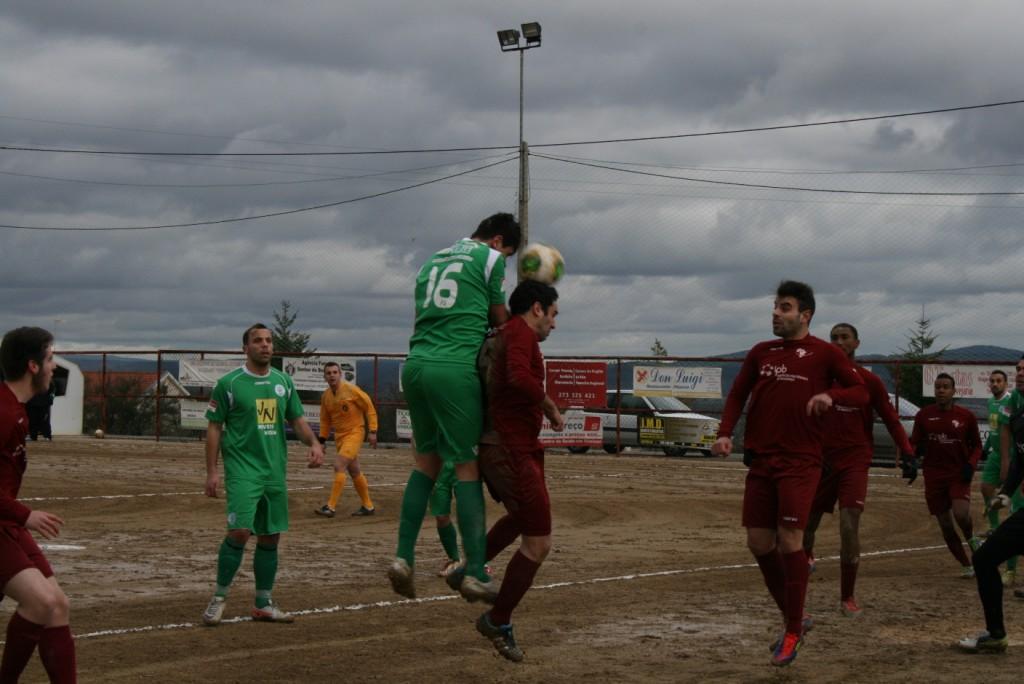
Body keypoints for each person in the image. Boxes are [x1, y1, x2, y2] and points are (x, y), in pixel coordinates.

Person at [712, 281, 867, 667]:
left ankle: (793, 630)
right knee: (758, 542)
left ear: (805, 315)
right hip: (762, 461)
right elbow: (737, 394)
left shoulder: (825, 354)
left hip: (801, 461)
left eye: (784, 307)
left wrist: (832, 396)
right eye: (775, 307)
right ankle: (796, 615)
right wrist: (725, 433)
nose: (776, 313)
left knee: (790, 540)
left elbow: (861, 392)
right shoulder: (760, 353)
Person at [388, 212, 520, 602]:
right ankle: (476, 571)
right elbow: (499, 319)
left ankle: (402, 557)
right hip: (454, 368)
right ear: (497, 242)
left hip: (415, 366)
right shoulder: (490, 259)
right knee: (467, 466)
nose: (506, 261)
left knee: (425, 465)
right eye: (508, 254)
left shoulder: (433, 258)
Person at [201, 323, 324, 626]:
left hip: (274, 471)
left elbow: (296, 419)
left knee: (270, 537)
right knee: (240, 531)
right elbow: (215, 427)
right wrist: (212, 471)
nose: (265, 345)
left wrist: (314, 442)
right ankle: (218, 599)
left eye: (269, 341)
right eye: (258, 341)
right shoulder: (229, 383)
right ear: (246, 348)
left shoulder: (283, 381)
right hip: (242, 471)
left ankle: (263, 603)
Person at [470, 280, 563, 662]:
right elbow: (519, 378)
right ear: (537, 308)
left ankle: (470, 569)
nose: (554, 324)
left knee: (523, 520)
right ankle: (498, 618)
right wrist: (550, 407)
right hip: (511, 448)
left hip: (509, 446)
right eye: (554, 314)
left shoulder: (508, 331)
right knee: (538, 542)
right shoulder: (520, 332)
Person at [802, 323, 914, 618]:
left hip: (855, 460)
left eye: (844, 337)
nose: (839, 342)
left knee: (849, 524)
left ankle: (847, 596)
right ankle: (804, 565)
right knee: (805, 526)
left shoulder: (868, 381)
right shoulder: (819, 380)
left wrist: (909, 454)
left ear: (856, 343)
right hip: (821, 461)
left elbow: (891, 420)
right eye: (834, 338)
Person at [0, 327, 76, 682]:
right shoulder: (3, 413)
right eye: (49, 359)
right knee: (41, 602)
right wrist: (24, 514)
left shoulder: (17, 411)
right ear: (32, 366)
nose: (52, 368)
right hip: (5, 522)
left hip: (7, 523)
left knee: (56, 605)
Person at [958, 357, 1024, 652]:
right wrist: (1006, 492)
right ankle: (996, 635)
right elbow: (1021, 460)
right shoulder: (1019, 416)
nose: (1020, 372)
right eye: (1019, 367)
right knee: (984, 559)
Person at [910, 373, 983, 579]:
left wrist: (971, 464)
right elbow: (914, 442)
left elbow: (977, 445)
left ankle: (971, 538)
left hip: (958, 473)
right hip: (934, 476)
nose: (941, 390)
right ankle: (966, 564)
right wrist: (911, 460)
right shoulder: (924, 415)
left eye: (945, 387)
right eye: (938, 387)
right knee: (945, 524)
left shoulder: (966, 416)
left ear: (953, 391)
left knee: (961, 514)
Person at [314, 361, 378, 518]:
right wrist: (321, 441)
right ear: (325, 377)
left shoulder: (351, 390)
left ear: (340, 374)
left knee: (339, 465)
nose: (332, 375)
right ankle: (368, 506)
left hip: (355, 432)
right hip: (340, 437)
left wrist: (373, 430)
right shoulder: (326, 397)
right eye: (328, 373)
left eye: (335, 372)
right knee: (354, 471)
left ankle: (330, 507)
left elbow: (369, 406)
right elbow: (325, 420)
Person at [978, 369, 1022, 585]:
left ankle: (1011, 570)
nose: (995, 384)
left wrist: (1009, 462)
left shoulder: (1010, 399)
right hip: (1000, 455)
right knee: (986, 487)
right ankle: (994, 526)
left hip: (1014, 456)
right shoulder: (1000, 401)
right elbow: (1000, 429)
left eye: (998, 381)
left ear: (1005, 383)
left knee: (1015, 513)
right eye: (992, 381)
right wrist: (988, 449)